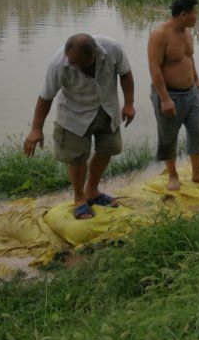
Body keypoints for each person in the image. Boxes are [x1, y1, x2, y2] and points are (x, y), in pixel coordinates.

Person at [23, 34, 135, 220]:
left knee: (108, 149)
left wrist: (129, 103)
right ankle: (79, 198)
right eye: (71, 62)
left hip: (106, 108)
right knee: (77, 158)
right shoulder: (57, 63)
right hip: (73, 114)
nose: (73, 66)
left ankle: (92, 190)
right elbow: (46, 96)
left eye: (79, 63)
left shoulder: (113, 49)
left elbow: (125, 74)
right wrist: (36, 129)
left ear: (95, 54)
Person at [148, 0, 199, 191]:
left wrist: (196, 79)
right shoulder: (160, 35)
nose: (197, 17)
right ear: (184, 14)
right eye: (195, 12)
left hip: (192, 93)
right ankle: (173, 175)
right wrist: (164, 98)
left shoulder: (187, 32)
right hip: (169, 96)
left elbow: (188, 58)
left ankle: (197, 173)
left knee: (197, 132)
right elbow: (154, 69)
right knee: (168, 136)